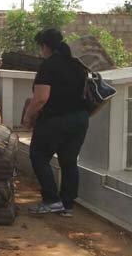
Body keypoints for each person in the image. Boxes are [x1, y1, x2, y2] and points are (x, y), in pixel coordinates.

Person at [23, 28, 89, 218]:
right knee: (69, 161)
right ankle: (67, 205)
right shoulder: (77, 65)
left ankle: (51, 200)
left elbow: (41, 98)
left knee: (38, 156)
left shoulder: (49, 65)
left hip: (55, 119)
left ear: (45, 46)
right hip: (79, 119)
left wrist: (28, 116)